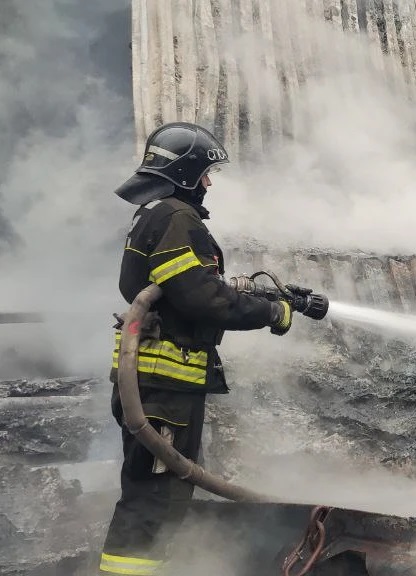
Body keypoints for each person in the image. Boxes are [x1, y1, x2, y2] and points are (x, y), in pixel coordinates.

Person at [98, 122, 292, 575]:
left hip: (152, 386)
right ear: (185, 173)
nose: (209, 183)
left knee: (157, 492)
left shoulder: (150, 215)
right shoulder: (176, 217)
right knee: (155, 499)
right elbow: (200, 297)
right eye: (206, 174)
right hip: (165, 388)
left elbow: (169, 288)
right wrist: (272, 313)